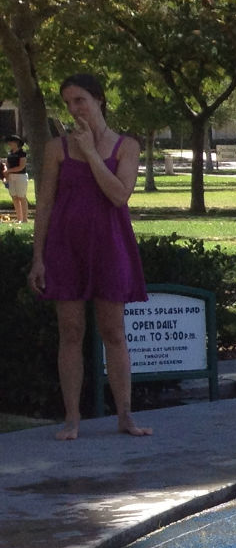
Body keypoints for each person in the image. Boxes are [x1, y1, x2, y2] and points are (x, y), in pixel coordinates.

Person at [29, 73, 150, 440]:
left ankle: (125, 416)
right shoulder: (57, 149)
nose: (74, 109)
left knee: (113, 331)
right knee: (71, 331)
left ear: (99, 99)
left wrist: (92, 154)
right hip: (65, 247)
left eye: (79, 100)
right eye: (68, 103)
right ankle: (72, 419)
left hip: (109, 245)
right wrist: (38, 257)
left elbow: (119, 195)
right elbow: (44, 204)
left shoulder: (126, 146)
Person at [5, 139, 27, 225]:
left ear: (17, 143)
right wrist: (6, 174)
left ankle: (25, 219)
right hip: (11, 176)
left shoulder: (22, 153)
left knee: (21, 197)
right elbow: (7, 165)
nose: (9, 143)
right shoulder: (10, 153)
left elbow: (21, 166)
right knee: (14, 197)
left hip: (20, 176)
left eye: (11, 142)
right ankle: (19, 219)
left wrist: (9, 170)